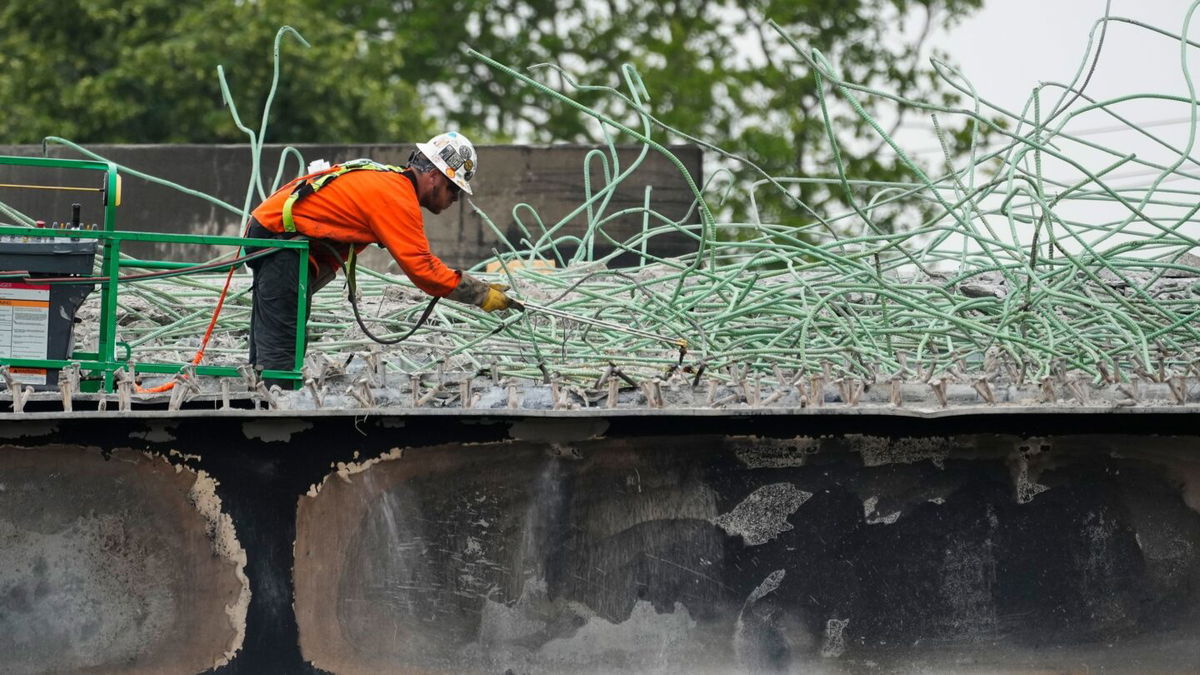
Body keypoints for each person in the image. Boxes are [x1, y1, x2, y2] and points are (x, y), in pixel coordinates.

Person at [244, 131, 513, 386]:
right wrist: (480, 294)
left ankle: (264, 392)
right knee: (282, 344)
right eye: (454, 190)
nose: (455, 199)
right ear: (434, 176)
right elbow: (424, 270)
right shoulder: (396, 196)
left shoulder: (391, 184)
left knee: (282, 334)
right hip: (279, 238)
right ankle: (274, 410)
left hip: (282, 238)